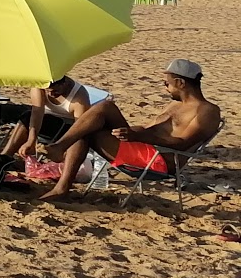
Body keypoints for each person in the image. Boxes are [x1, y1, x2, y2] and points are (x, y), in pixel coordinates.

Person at [39, 60, 221, 202]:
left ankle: (61, 171)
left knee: (86, 130)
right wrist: (131, 132)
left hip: (160, 160)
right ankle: (61, 152)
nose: (164, 87)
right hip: (145, 147)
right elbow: (150, 128)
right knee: (105, 109)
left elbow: (183, 143)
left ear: (180, 83)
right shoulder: (176, 104)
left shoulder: (207, 111)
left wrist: (138, 135)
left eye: (166, 83)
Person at [0, 75, 101, 159]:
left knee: (27, 117)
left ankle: (4, 158)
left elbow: (80, 127)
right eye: (48, 91)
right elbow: (37, 111)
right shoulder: (41, 85)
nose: (51, 94)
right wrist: (31, 139)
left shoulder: (79, 97)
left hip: (63, 127)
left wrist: (32, 141)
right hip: (42, 115)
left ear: (64, 83)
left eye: (55, 91)